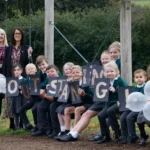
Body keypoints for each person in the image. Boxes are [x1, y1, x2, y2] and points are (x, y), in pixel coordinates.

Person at [3, 28, 33, 129]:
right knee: (10, 99)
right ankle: (12, 124)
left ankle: (22, 123)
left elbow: (28, 62)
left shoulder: (26, 47)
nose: (17, 35)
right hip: (11, 77)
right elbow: (6, 63)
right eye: (15, 33)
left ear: (22, 35)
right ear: (13, 35)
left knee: (21, 99)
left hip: (22, 77)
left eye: (19, 33)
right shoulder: (9, 48)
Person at [56, 65, 93, 140]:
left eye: (77, 72)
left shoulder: (87, 84)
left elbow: (93, 97)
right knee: (66, 109)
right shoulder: (71, 84)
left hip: (88, 104)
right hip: (78, 104)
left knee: (77, 109)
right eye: (73, 73)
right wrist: (63, 93)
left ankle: (74, 132)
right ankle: (67, 131)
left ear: (81, 74)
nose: (75, 74)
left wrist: (84, 94)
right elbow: (71, 99)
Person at [31, 65, 61, 137]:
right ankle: (43, 128)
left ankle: (55, 130)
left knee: (51, 106)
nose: (50, 73)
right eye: (48, 72)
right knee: (40, 106)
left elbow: (56, 97)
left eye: (52, 71)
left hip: (57, 99)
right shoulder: (48, 80)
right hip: (49, 98)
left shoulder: (60, 80)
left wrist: (44, 94)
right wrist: (42, 91)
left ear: (57, 72)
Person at [120, 69, 147, 144]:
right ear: (134, 79)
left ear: (145, 78)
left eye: (140, 77)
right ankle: (125, 136)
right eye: (136, 77)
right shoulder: (133, 89)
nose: (138, 79)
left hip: (142, 108)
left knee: (129, 117)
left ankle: (133, 135)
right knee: (123, 117)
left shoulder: (146, 88)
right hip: (133, 108)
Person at [18, 63, 41, 130]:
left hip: (38, 99)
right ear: (26, 71)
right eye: (28, 69)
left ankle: (37, 125)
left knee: (34, 109)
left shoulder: (38, 77)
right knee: (21, 110)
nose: (30, 70)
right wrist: (23, 90)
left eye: (32, 68)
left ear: (36, 70)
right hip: (32, 99)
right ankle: (28, 125)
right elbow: (25, 89)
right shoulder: (25, 80)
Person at [11, 64, 26, 130]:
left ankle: (24, 126)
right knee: (15, 112)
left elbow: (27, 90)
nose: (16, 71)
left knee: (22, 111)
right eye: (15, 70)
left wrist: (22, 89)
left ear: (21, 71)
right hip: (15, 98)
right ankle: (17, 127)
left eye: (18, 70)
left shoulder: (24, 80)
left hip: (22, 98)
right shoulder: (12, 80)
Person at [0, 28, 8, 117]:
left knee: (7, 98)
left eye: (2, 34)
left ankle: (12, 122)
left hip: (5, 73)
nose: (0, 36)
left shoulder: (8, 48)